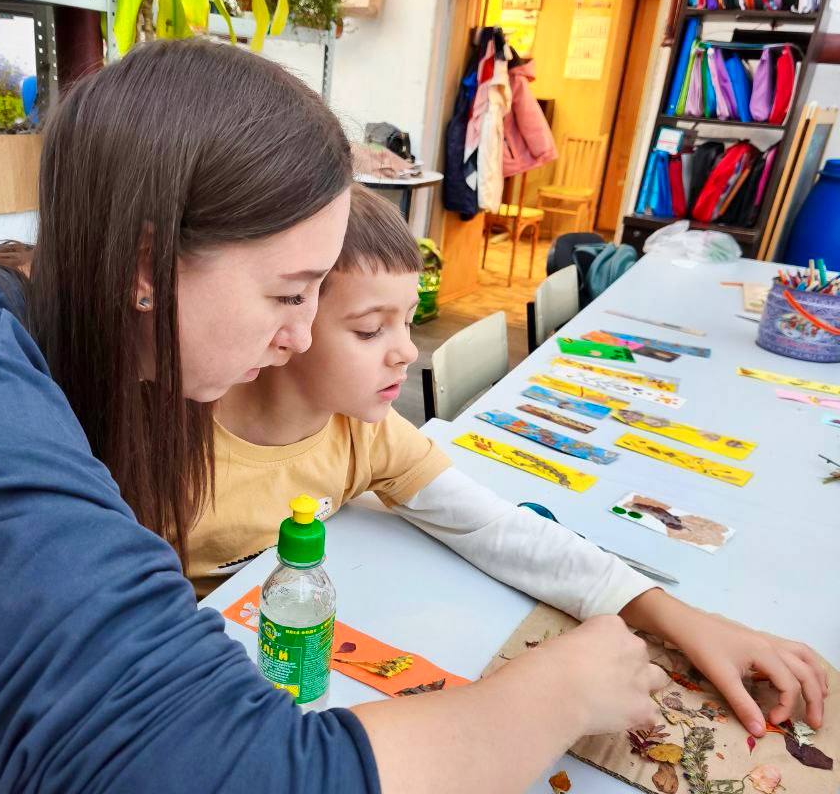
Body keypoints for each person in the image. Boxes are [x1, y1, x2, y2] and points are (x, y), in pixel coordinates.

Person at [0, 41, 785, 794]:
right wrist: (559, 690)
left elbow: (6, 640)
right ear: (147, 263)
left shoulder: (114, 356)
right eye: (288, 292)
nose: (302, 335)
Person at [207, 184, 829, 737]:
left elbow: (499, 530)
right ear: (287, 319)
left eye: (408, 323)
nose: (407, 352)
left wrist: (681, 619)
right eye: (371, 330)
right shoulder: (179, 442)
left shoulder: (368, 434)